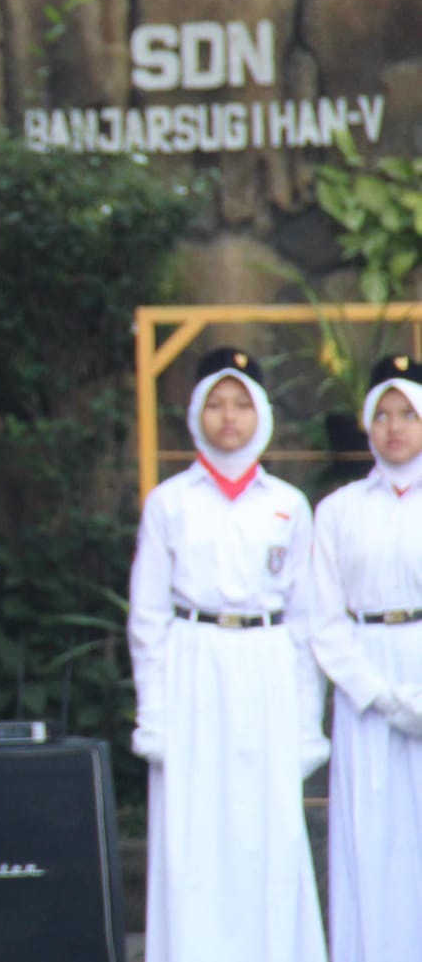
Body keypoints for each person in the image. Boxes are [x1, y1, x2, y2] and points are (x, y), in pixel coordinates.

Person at [128, 347, 327, 962]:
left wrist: (304, 722)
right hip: (194, 663)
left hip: (265, 665)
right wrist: (154, 714)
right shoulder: (169, 502)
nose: (228, 416)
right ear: (195, 412)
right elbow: (148, 618)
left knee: (266, 831)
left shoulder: (289, 504)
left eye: (241, 402)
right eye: (215, 402)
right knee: (193, 831)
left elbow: (306, 622)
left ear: (262, 413)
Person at [310, 354, 422, 961]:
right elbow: (322, 620)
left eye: (408, 413)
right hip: (365, 688)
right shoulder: (338, 511)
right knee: (369, 837)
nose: (395, 427)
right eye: (382, 414)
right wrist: (376, 693)